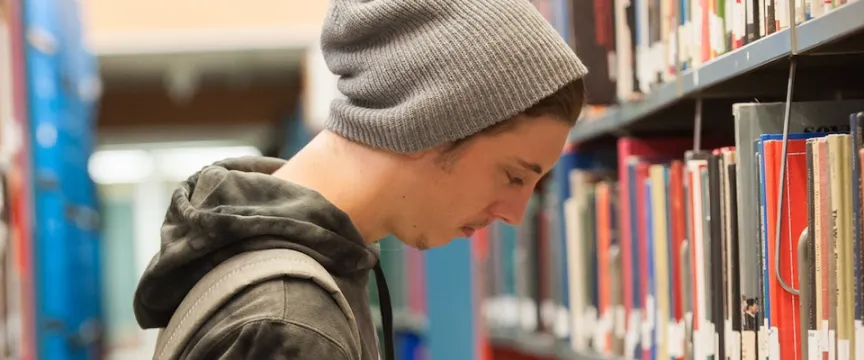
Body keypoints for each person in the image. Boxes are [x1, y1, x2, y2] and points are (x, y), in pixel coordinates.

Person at [131, 0, 588, 359]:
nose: (513, 214)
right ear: (429, 121)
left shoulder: (264, 266)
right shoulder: (291, 324)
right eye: (512, 176)